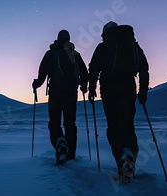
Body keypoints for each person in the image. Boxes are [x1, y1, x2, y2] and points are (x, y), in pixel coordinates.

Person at [88, 21, 149, 182]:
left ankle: (123, 157)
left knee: (114, 125)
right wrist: (143, 92)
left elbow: (94, 68)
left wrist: (92, 88)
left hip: (110, 88)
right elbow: (144, 68)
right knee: (128, 123)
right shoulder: (133, 45)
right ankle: (131, 153)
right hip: (129, 87)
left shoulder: (104, 46)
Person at [33, 30, 88, 165]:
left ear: (57, 39)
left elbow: (42, 73)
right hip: (71, 93)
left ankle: (59, 142)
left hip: (55, 92)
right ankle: (71, 155)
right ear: (68, 39)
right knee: (70, 124)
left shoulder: (50, 54)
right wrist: (84, 86)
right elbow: (84, 73)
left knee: (54, 123)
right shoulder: (75, 54)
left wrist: (36, 84)